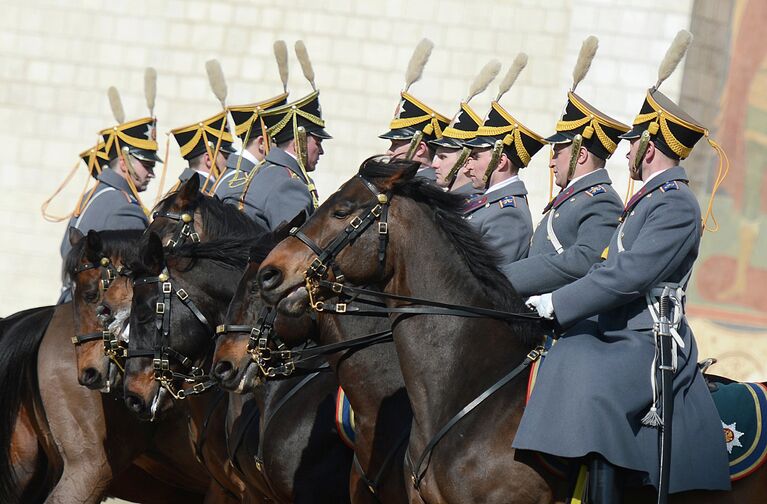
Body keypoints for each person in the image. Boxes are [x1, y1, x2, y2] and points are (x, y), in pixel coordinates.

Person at [516, 33, 731, 502]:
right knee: (565, 353)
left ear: (649, 147)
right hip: (618, 329)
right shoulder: (648, 201)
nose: (625, 151)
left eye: (632, 143)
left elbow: (631, 275)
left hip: (646, 339)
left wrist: (558, 301)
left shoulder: (676, 205)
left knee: (585, 374)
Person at [501, 53, 629, 296]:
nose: (551, 162)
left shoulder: (602, 200)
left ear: (580, 156)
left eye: (558, 152)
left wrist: (505, 279)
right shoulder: (574, 197)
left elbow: (584, 261)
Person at [58, 115, 161, 302]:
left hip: (70, 300)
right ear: (124, 163)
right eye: (147, 165)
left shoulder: (93, 194)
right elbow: (136, 274)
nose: (152, 174)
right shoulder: (124, 207)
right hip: (95, 309)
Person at [460, 62, 546, 266]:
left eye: (475, 157)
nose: (466, 167)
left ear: (500, 161)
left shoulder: (508, 213)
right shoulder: (490, 203)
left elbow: (486, 281)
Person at [215, 93, 287, 204]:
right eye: (277, 142)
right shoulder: (241, 185)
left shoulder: (239, 178)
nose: (281, 150)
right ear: (262, 143)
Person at [170, 110, 235, 192]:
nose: (229, 162)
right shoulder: (201, 195)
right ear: (209, 159)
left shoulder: (181, 189)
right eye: (226, 157)